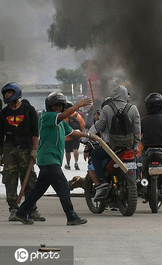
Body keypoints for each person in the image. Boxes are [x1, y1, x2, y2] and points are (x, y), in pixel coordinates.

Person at [12, 92, 93, 225]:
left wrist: (88, 135)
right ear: (49, 107)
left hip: (52, 160)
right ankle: (71, 216)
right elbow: (64, 115)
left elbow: (72, 133)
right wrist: (79, 105)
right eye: (55, 106)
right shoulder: (47, 117)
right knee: (63, 187)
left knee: (38, 190)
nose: (58, 108)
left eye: (60, 105)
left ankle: (21, 213)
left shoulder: (61, 122)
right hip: (48, 159)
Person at [0, 82, 45, 222]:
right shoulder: (3, 113)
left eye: (9, 92)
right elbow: (0, 135)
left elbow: (35, 131)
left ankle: (32, 210)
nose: (7, 95)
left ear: (16, 93)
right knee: (9, 179)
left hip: (26, 150)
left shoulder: (28, 110)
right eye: (5, 93)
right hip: (9, 149)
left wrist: (35, 149)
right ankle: (13, 209)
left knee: (30, 180)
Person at [91, 85, 141, 199]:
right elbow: (137, 130)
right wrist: (136, 145)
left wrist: (96, 121)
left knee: (94, 155)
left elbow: (100, 126)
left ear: (115, 95)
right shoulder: (133, 108)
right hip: (129, 145)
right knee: (135, 159)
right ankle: (138, 177)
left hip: (112, 147)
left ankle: (102, 180)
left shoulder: (107, 108)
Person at [63, 101, 85, 170]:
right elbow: (82, 124)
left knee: (67, 151)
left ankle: (68, 164)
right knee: (75, 149)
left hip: (67, 136)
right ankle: (76, 162)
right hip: (76, 134)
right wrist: (80, 133)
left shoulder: (64, 116)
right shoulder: (77, 115)